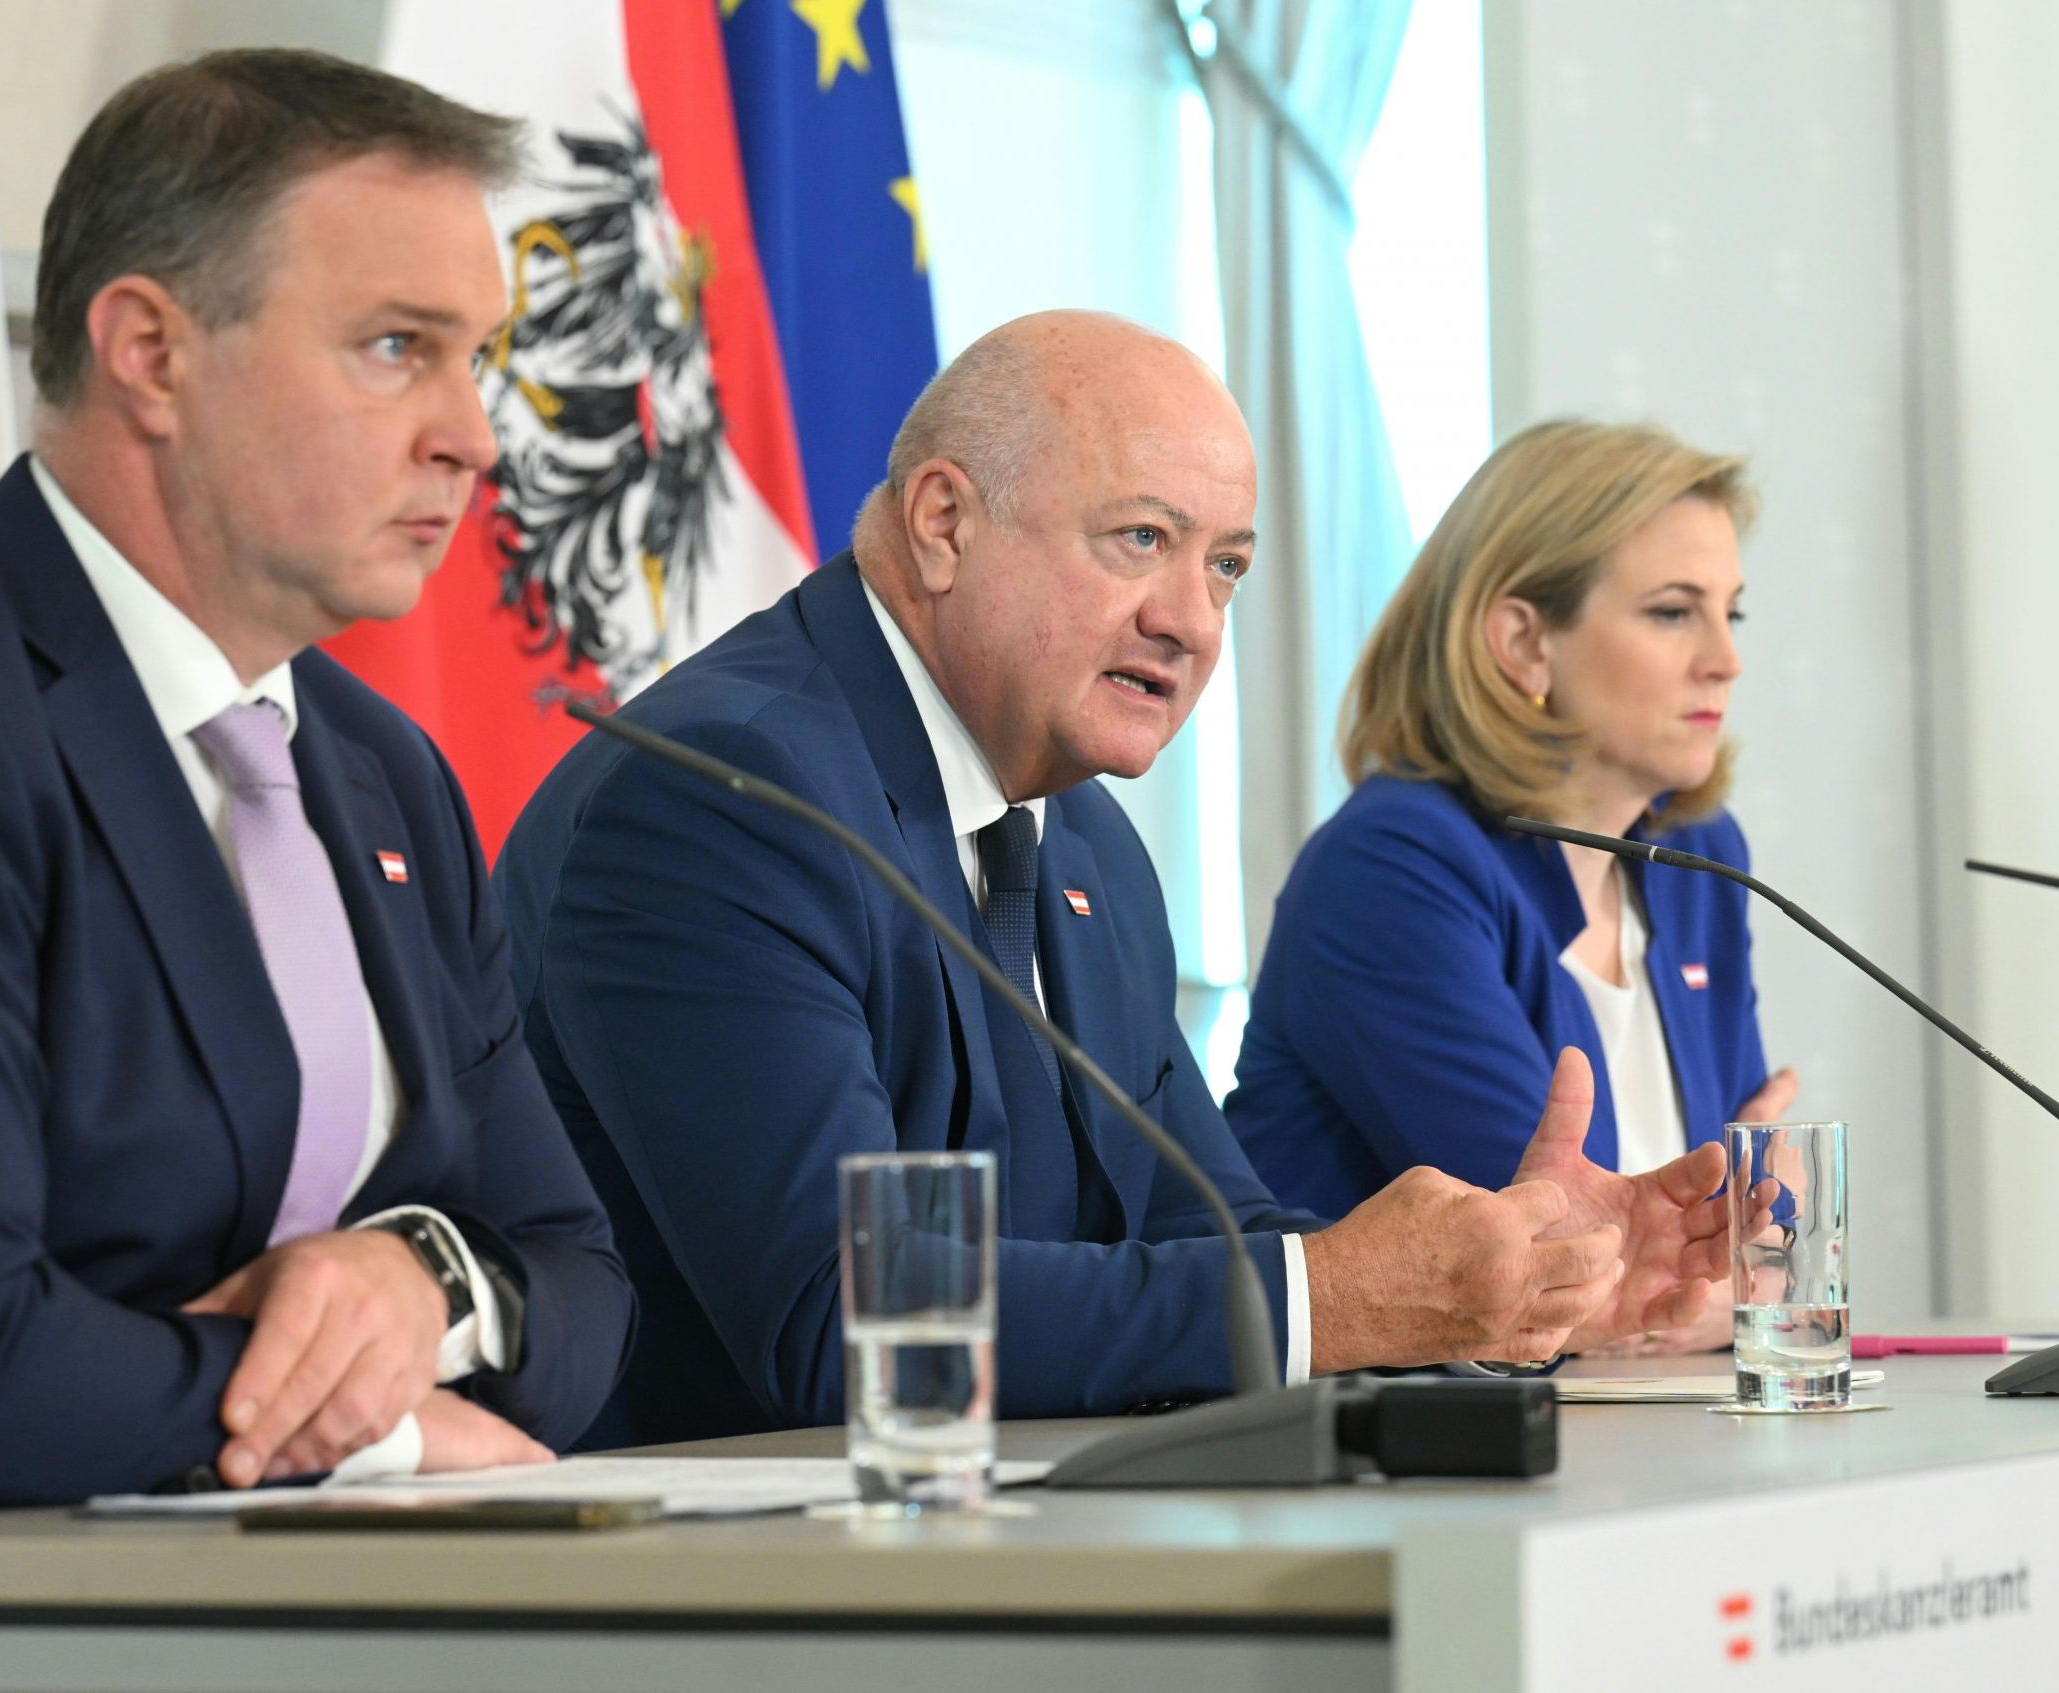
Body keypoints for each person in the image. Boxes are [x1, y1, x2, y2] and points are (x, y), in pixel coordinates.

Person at [496, 316, 1739, 1449]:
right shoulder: (727, 799)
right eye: (1142, 540)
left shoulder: (1084, 842)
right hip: (720, 1566)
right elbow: (848, 1319)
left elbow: (1211, 1232)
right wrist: (1341, 1298)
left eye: (1226, 567)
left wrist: (1516, 1284)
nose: (1192, 621)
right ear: (944, 523)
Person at [0, 50, 635, 1519]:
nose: (474, 435)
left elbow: (581, 1286)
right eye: (397, 346)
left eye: (477, 357)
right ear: (151, 353)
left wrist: (424, 1280)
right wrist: (378, 1427)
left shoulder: (385, 772)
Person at [1224, 420, 1792, 1349]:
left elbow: (1737, 1235)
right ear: (1524, 641)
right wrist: (1746, 1274)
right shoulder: (1394, 867)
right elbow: (1563, 1273)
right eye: (1672, 612)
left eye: (1730, 614)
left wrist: (1742, 1264)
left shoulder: (1698, 857)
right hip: (1401, 1425)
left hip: (1643, 1414)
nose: (1725, 659)